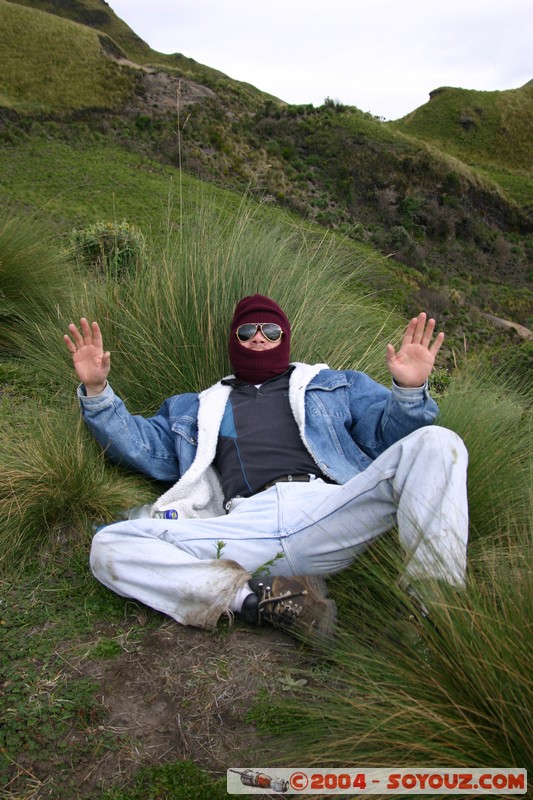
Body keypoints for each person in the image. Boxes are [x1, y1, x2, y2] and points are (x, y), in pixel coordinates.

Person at [64, 295, 468, 644]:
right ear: (234, 340)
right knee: (109, 546)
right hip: (245, 523)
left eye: (271, 331)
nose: (259, 336)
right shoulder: (195, 407)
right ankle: (261, 598)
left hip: (327, 510)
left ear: (284, 338)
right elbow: (141, 447)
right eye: (248, 331)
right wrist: (98, 392)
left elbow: (387, 438)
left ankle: (432, 615)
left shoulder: (333, 385)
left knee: (439, 442)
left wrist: (409, 391)